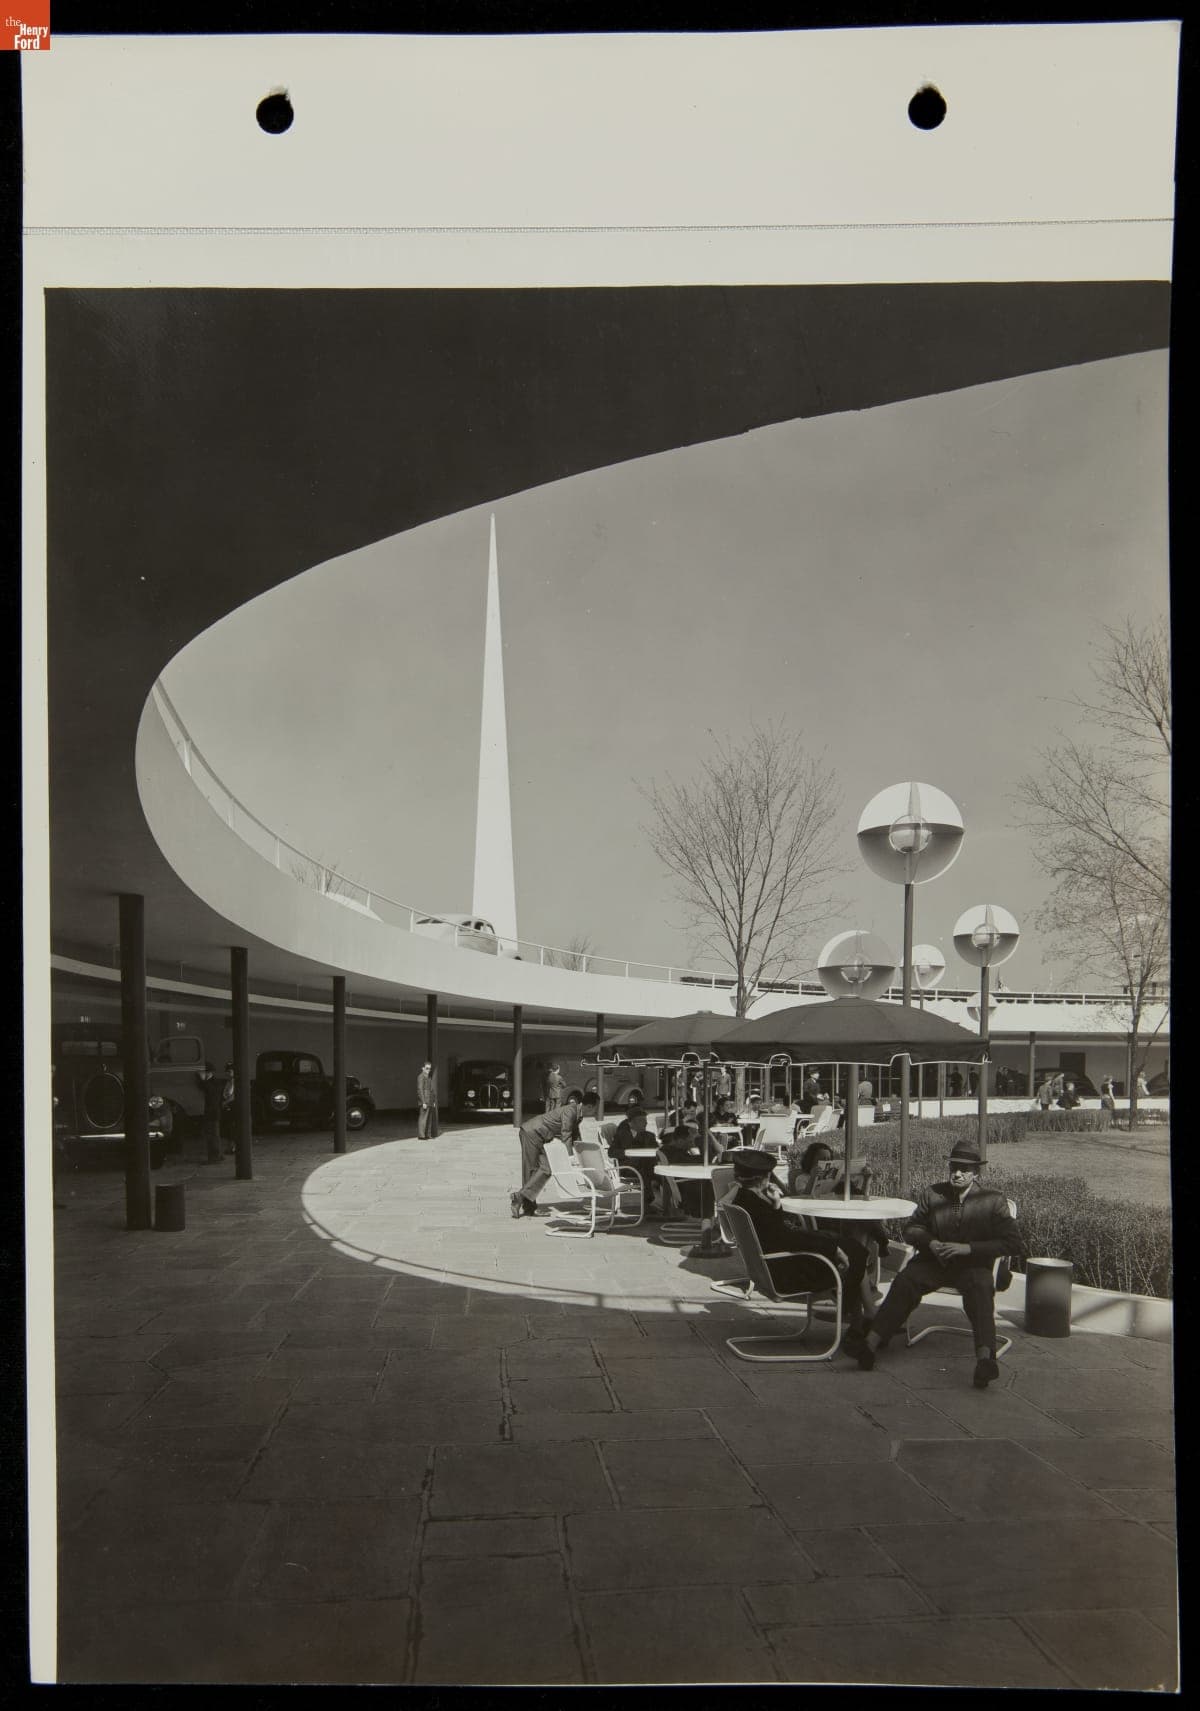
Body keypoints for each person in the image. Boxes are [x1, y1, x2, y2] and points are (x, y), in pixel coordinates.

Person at [855, 1140, 1025, 1388]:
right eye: (954, 1167)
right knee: (905, 1281)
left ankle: (985, 1361)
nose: (957, 1173)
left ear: (976, 1173)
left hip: (973, 1266)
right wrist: (932, 1243)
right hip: (935, 1264)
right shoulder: (933, 1194)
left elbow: (1013, 1243)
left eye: (964, 1169)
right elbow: (911, 1229)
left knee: (980, 1288)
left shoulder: (992, 1200)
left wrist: (969, 1248)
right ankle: (869, 1345)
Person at [717, 1149, 869, 1341]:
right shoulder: (756, 1206)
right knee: (855, 1252)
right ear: (763, 1178)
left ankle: (861, 1317)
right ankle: (859, 1318)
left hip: (770, 1267)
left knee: (850, 1247)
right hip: (786, 1274)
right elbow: (786, 1238)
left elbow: (775, 1232)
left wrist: (775, 1204)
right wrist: (832, 1248)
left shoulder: (743, 1200)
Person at [511, 1092, 595, 1218]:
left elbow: (576, 1137)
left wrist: (584, 1153)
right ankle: (528, 1207)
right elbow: (566, 1135)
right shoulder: (570, 1111)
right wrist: (570, 1157)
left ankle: (520, 1198)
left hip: (540, 1136)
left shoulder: (578, 1114)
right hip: (532, 1132)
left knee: (547, 1168)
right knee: (531, 1170)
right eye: (595, 1109)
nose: (595, 1112)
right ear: (589, 1106)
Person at [610, 1105, 662, 1211]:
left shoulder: (650, 1136)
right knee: (648, 1169)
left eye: (645, 1120)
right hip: (628, 1168)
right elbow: (611, 1152)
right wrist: (627, 1153)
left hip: (647, 1166)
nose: (646, 1123)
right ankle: (650, 1202)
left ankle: (664, 1200)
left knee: (655, 1168)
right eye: (641, 1120)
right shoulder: (622, 1135)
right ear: (631, 1123)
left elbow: (657, 1151)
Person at [197, 1061, 223, 1164]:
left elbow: (209, 1091)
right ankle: (217, 1155)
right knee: (214, 1135)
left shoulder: (213, 1083)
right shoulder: (214, 1082)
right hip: (213, 1112)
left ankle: (214, 1157)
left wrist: (201, 1079)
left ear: (208, 1072)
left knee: (212, 1135)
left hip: (212, 1112)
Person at [417, 1061, 438, 1139]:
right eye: (427, 1068)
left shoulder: (428, 1077)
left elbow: (431, 1090)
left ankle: (426, 1134)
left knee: (428, 1119)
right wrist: (423, 1102)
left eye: (429, 1069)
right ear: (423, 1068)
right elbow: (420, 1090)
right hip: (425, 1101)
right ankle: (421, 1135)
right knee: (423, 1118)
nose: (428, 1070)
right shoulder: (421, 1077)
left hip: (429, 1101)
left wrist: (433, 1101)